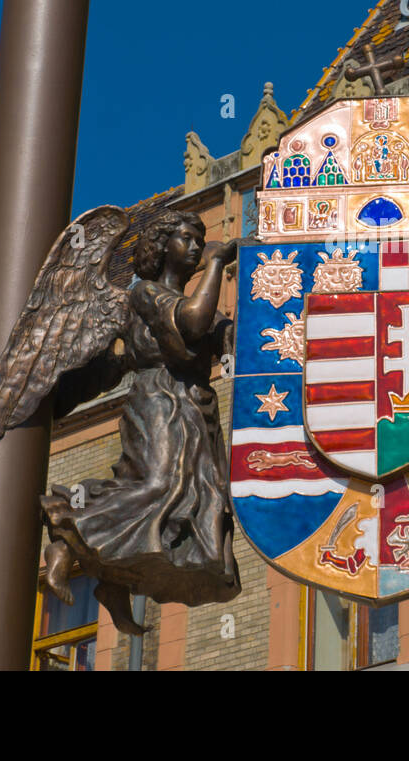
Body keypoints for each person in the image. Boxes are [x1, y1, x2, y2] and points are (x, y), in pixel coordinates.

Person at [41, 209, 240, 633]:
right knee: (154, 489)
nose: (195, 247)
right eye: (186, 238)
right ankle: (65, 531)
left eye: (200, 241)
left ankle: (116, 581)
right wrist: (218, 264)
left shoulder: (202, 305)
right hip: (157, 399)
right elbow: (191, 323)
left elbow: (237, 344)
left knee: (195, 500)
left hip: (196, 410)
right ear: (161, 246)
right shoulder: (145, 295)